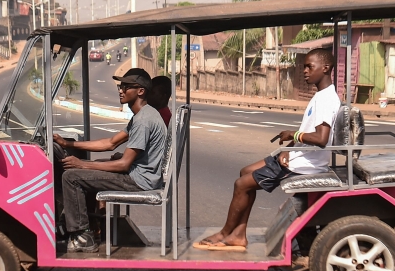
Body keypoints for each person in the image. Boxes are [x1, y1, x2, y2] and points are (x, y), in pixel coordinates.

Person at [194, 49, 340, 252]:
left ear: (326, 68)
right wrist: (288, 149)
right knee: (245, 172)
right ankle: (238, 234)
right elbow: (309, 133)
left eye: (309, 66)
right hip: (300, 157)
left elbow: (321, 138)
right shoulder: (321, 95)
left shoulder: (326, 99)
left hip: (305, 165)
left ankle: (225, 232)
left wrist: (292, 135)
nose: (305, 71)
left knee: (241, 184)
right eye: (304, 66)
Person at [55, 68, 168, 253]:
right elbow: (109, 143)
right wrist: (67, 143)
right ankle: (91, 226)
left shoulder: (143, 121)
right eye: (120, 86)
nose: (121, 90)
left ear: (140, 91)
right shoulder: (142, 115)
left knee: (71, 176)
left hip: (139, 181)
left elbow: (124, 164)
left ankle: (82, 236)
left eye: (126, 86)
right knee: (89, 169)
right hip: (140, 175)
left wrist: (81, 164)